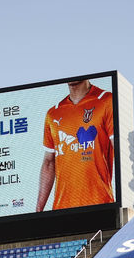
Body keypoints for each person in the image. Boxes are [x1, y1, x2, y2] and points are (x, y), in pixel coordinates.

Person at [36, 79, 114, 212]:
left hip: (100, 203)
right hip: (61, 209)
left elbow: (120, 150)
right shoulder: (53, 113)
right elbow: (49, 162)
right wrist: (38, 211)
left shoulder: (107, 100)